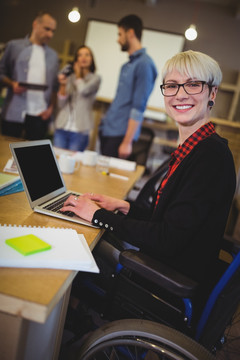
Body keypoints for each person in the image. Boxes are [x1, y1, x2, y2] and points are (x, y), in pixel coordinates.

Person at [61, 50, 236, 285]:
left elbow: (167, 239)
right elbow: (171, 221)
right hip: (162, 260)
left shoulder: (210, 156)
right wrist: (124, 207)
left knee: (75, 250)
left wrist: (98, 215)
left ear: (212, 92)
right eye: (172, 85)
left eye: (193, 84)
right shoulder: (194, 147)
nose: (180, 95)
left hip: (165, 277)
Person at [99, 14, 157, 159]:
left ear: (130, 33)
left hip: (120, 135)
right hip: (109, 129)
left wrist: (127, 142)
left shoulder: (144, 64)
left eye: (120, 34)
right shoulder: (127, 66)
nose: (118, 39)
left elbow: (138, 107)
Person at [0, 11, 58, 139]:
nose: (50, 34)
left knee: (33, 155)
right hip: (14, 111)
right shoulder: (14, 46)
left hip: (40, 115)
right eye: (47, 29)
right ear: (35, 24)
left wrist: (51, 108)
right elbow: (1, 72)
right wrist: (12, 84)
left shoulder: (53, 56)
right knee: (6, 152)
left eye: (53, 31)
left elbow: (55, 86)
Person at [53, 45, 101, 151]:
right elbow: (61, 104)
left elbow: (83, 90)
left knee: (73, 164)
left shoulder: (95, 79)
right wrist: (63, 84)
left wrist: (78, 75)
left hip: (80, 130)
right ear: (76, 60)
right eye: (80, 55)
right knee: (56, 160)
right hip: (62, 127)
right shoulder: (71, 77)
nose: (83, 57)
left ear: (92, 59)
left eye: (87, 55)